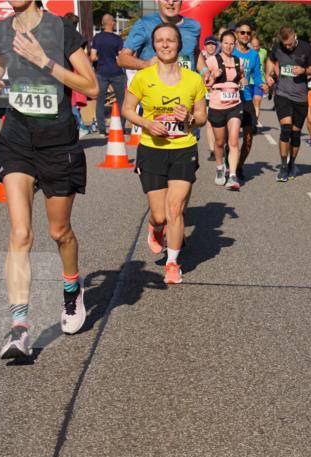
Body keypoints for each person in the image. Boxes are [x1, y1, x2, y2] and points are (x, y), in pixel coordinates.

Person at [0, 0, 99, 359]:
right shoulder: (0, 30)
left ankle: (71, 288)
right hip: (17, 139)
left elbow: (90, 86)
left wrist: (43, 61)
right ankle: (19, 329)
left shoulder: (61, 31)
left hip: (57, 142)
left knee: (59, 232)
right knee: (20, 233)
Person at [122, 23, 207, 285]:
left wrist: (190, 117)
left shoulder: (193, 79)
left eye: (170, 40)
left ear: (179, 45)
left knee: (175, 209)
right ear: (154, 45)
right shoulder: (143, 77)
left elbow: (203, 117)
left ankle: (172, 263)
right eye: (160, 40)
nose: (165, 44)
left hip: (183, 149)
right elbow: (127, 109)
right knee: (159, 214)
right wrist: (147, 124)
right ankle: (155, 228)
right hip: (152, 149)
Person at [266, 26, 311, 181]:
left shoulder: (305, 48)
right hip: (282, 94)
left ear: (295, 36)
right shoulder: (277, 47)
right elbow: (271, 60)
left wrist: (304, 71)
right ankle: (283, 167)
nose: (287, 47)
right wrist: (269, 75)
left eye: (289, 44)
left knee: (295, 135)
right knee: (286, 129)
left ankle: (291, 164)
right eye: (285, 44)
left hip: (301, 97)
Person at [206, 30, 245, 191]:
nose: (229, 46)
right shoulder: (212, 61)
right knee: (220, 142)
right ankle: (220, 168)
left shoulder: (238, 61)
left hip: (235, 104)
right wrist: (213, 76)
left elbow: (242, 77)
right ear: (221, 44)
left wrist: (243, 80)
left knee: (234, 141)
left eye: (231, 43)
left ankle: (233, 175)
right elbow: (205, 83)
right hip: (217, 105)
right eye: (226, 43)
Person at [117, 0, 201, 73]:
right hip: (154, 88)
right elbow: (122, 59)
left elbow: (195, 52)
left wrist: (204, 70)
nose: (171, 3)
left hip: (186, 88)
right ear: (157, 1)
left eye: (175, 0)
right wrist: (146, 64)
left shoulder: (194, 26)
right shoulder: (144, 24)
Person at [232, 21, 261, 181]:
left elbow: (257, 76)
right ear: (236, 34)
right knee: (232, 137)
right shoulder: (231, 52)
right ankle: (229, 164)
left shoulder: (254, 55)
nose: (245, 35)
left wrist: (262, 84)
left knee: (249, 138)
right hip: (230, 99)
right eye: (242, 32)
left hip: (247, 98)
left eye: (248, 33)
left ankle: (239, 165)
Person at [91, 12, 126, 136]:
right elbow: (120, 58)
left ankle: (102, 129)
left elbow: (93, 56)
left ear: (102, 23)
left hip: (101, 72)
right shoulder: (118, 39)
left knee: (100, 101)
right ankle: (121, 128)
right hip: (117, 72)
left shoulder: (97, 38)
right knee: (122, 101)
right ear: (112, 23)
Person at [197, 35, 219, 160]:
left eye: (213, 44)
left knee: (219, 124)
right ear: (205, 46)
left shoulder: (220, 59)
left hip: (217, 94)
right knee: (209, 123)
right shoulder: (200, 59)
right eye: (208, 44)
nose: (211, 46)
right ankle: (212, 150)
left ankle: (220, 145)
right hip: (204, 94)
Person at [251, 34, 268, 124]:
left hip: (260, 80)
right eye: (253, 46)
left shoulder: (264, 52)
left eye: (257, 46)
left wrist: (268, 75)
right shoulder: (247, 52)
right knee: (249, 103)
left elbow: (267, 63)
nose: (255, 48)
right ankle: (249, 121)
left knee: (257, 101)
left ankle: (254, 123)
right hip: (249, 80)